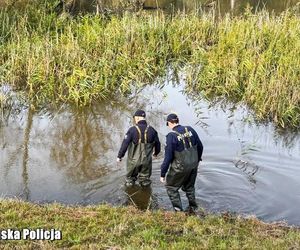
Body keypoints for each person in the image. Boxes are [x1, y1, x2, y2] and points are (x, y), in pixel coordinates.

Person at [160, 113, 203, 212]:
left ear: (169, 123)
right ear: (178, 120)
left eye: (168, 124)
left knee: (171, 187)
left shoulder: (171, 136)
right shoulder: (190, 129)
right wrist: (197, 159)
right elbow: (200, 146)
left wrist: (163, 174)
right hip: (193, 165)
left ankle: (179, 212)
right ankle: (194, 207)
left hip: (180, 167)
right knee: (189, 187)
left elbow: (168, 157)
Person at [117, 109, 160, 187]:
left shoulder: (132, 130)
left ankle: (130, 195)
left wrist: (120, 156)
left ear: (137, 118)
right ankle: (146, 196)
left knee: (130, 180)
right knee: (145, 181)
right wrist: (156, 153)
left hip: (133, 162)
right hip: (146, 161)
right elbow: (158, 144)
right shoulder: (152, 130)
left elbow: (125, 144)